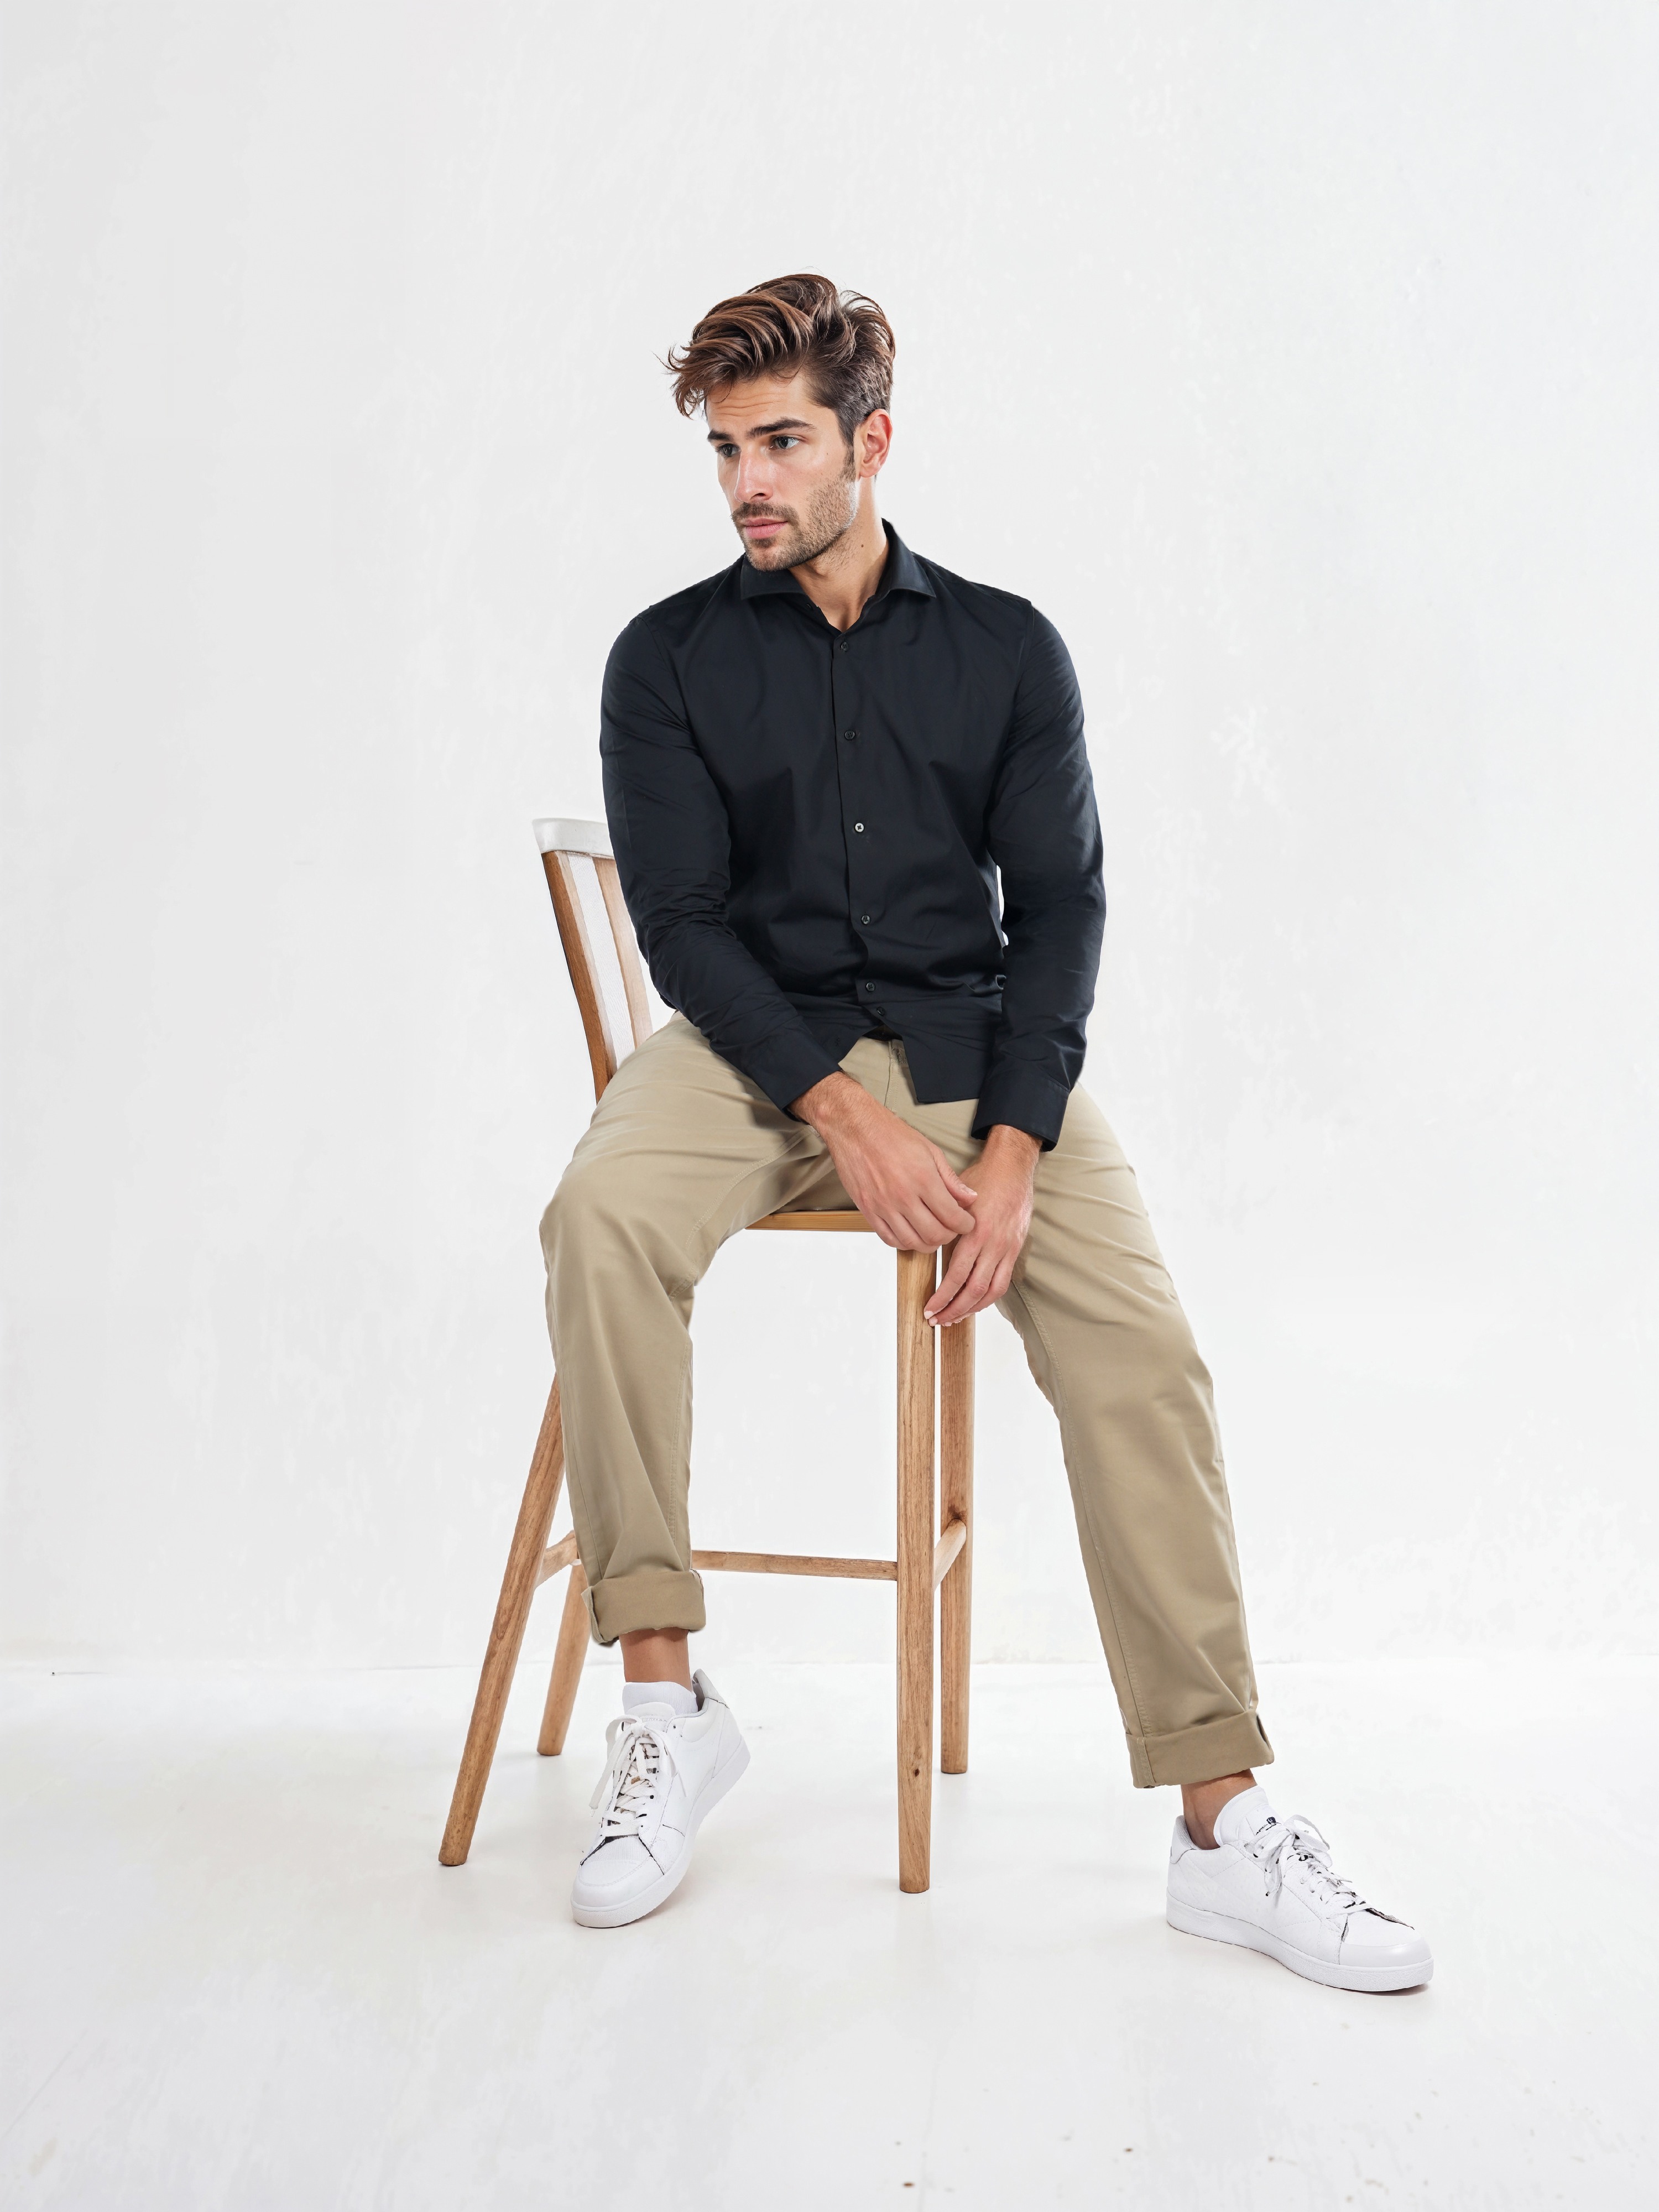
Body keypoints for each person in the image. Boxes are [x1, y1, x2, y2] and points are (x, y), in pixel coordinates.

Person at [540, 274, 1431, 1991]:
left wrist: (1012, 1145)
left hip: (971, 1054)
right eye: (726, 450)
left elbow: (1066, 907)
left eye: (782, 442)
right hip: (751, 1056)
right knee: (598, 1216)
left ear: (871, 441)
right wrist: (840, 1113)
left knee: (1142, 1351)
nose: (748, 483)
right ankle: (664, 1703)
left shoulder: (1009, 649)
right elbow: (686, 925)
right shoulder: (666, 659)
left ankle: (1223, 1821)